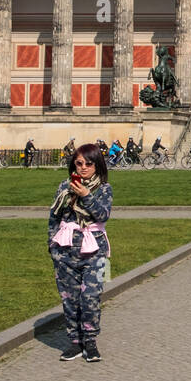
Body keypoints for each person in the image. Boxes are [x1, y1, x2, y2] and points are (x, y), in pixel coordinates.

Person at [49, 143, 113, 363]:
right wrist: (52, 245)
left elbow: (102, 216)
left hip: (94, 249)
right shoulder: (64, 187)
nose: (84, 167)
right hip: (65, 250)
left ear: (97, 165)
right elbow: (54, 217)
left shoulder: (103, 189)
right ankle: (75, 342)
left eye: (89, 163)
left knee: (90, 296)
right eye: (79, 163)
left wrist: (86, 195)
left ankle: (91, 341)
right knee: (70, 298)